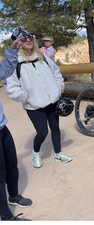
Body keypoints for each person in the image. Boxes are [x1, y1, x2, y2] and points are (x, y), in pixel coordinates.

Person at [5, 29, 72, 168]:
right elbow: (11, 88)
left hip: (52, 101)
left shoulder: (41, 56)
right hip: (34, 106)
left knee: (55, 128)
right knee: (42, 132)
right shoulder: (15, 63)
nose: (28, 40)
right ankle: (36, 153)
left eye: (30, 37)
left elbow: (56, 72)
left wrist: (59, 86)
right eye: (24, 39)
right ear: (18, 43)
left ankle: (58, 154)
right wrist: (27, 98)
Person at [0, 36, 32, 221]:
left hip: (2, 126)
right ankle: (5, 217)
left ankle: (14, 195)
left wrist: (13, 50)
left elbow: (4, 70)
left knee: (12, 164)